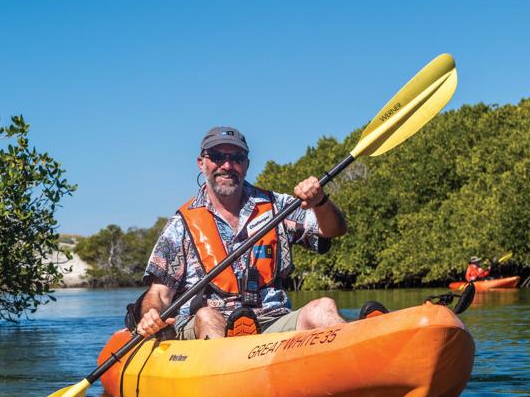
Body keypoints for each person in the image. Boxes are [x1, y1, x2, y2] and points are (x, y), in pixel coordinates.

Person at [134, 126, 384, 340]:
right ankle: (232, 376)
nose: (227, 165)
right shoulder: (181, 225)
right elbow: (159, 293)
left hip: (273, 320)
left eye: (237, 158)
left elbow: (333, 230)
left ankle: (366, 344)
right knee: (207, 315)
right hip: (206, 326)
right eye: (217, 156)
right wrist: (151, 315)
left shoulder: (278, 206)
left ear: (247, 165)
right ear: (202, 163)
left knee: (323, 307)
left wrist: (320, 201)